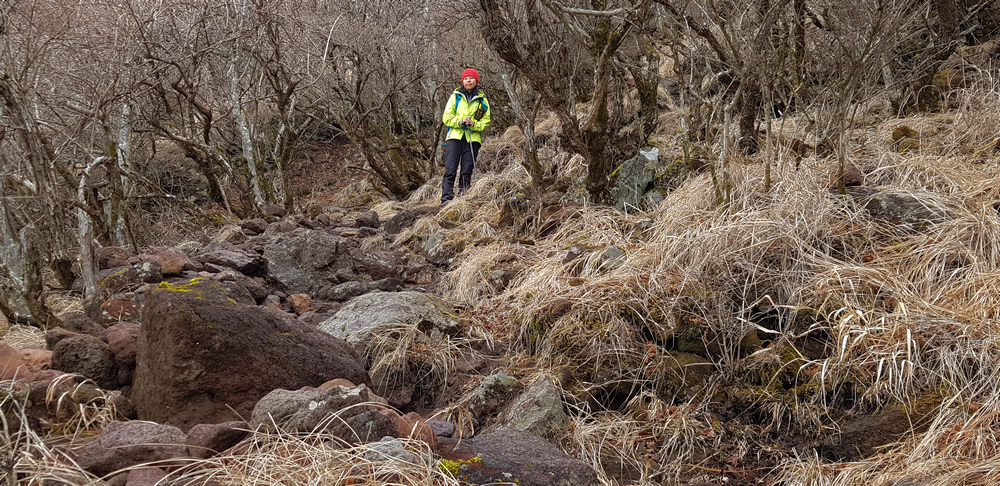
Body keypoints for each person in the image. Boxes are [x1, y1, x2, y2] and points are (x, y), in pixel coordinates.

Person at [441, 68, 491, 205]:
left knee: (467, 169)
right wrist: (460, 122)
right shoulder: (455, 97)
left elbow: (485, 122)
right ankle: (446, 198)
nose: (468, 80)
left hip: (472, 139)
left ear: (476, 80)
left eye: (471, 78)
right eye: (466, 78)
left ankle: (464, 198)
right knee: (450, 169)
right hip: (455, 138)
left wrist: (473, 124)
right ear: (462, 81)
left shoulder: (482, 100)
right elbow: (446, 117)